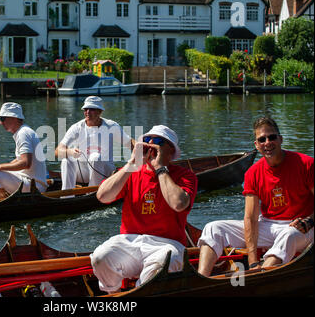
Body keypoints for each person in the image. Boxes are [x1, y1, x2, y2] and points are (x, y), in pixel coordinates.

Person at [197, 116, 314, 277]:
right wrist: (252, 261)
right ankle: (202, 278)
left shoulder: (306, 163)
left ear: (280, 139)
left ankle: (259, 277)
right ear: (256, 145)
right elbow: (251, 218)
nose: (267, 142)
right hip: (269, 225)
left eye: (272, 137)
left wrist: (310, 220)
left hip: (303, 228)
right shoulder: (253, 172)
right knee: (213, 228)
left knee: (289, 234)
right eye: (262, 139)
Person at [90, 125, 198, 293]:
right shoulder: (131, 172)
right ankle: (114, 294)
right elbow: (103, 196)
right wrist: (131, 164)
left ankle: (140, 292)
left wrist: (160, 169)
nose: (151, 144)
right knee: (100, 257)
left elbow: (178, 204)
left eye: (159, 141)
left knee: (168, 260)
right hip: (130, 241)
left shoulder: (185, 176)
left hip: (166, 244)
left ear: (170, 150)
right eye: (147, 140)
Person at [55, 96, 134, 190]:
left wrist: (143, 148)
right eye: (85, 109)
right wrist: (70, 152)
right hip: (83, 172)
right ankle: (66, 196)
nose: (87, 112)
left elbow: (130, 143)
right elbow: (57, 151)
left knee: (95, 157)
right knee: (66, 160)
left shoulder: (111, 126)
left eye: (91, 109)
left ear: (100, 111)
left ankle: (93, 191)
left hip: (105, 171)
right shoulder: (76, 127)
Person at [0, 102, 47, 198]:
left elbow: (25, 163)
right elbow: (20, 160)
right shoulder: (24, 131)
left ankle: (2, 203)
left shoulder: (23, 134)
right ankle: (3, 198)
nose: (0, 122)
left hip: (35, 186)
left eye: (2, 119)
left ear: (14, 118)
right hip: (34, 183)